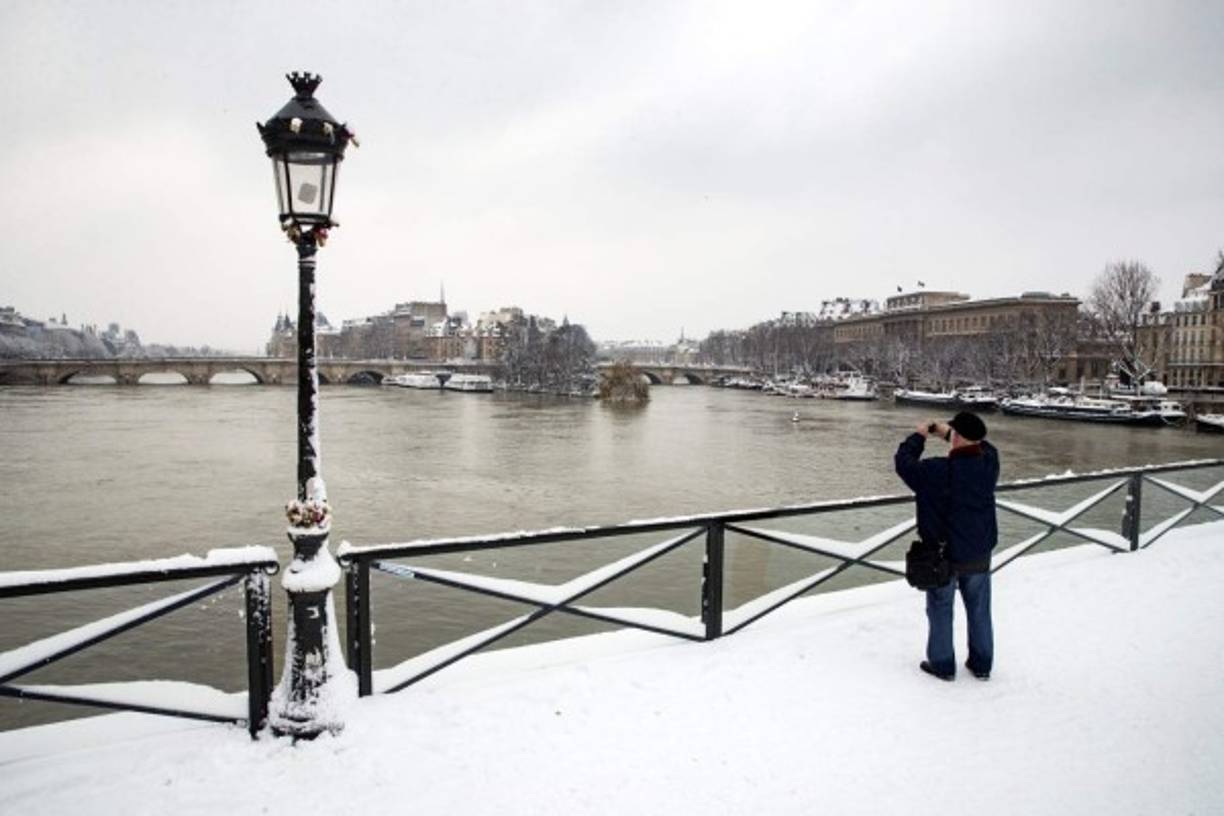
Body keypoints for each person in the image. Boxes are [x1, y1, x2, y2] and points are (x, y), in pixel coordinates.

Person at [894, 411, 1000, 681]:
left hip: (943, 556)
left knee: (940, 610)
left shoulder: (935, 471)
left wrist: (920, 435)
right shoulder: (989, 464)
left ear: (958, 438)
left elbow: (904, 464)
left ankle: (942, 665)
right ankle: (982, 665)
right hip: (979, 552)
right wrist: (949, 434)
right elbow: (984, 446)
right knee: (979, 611)